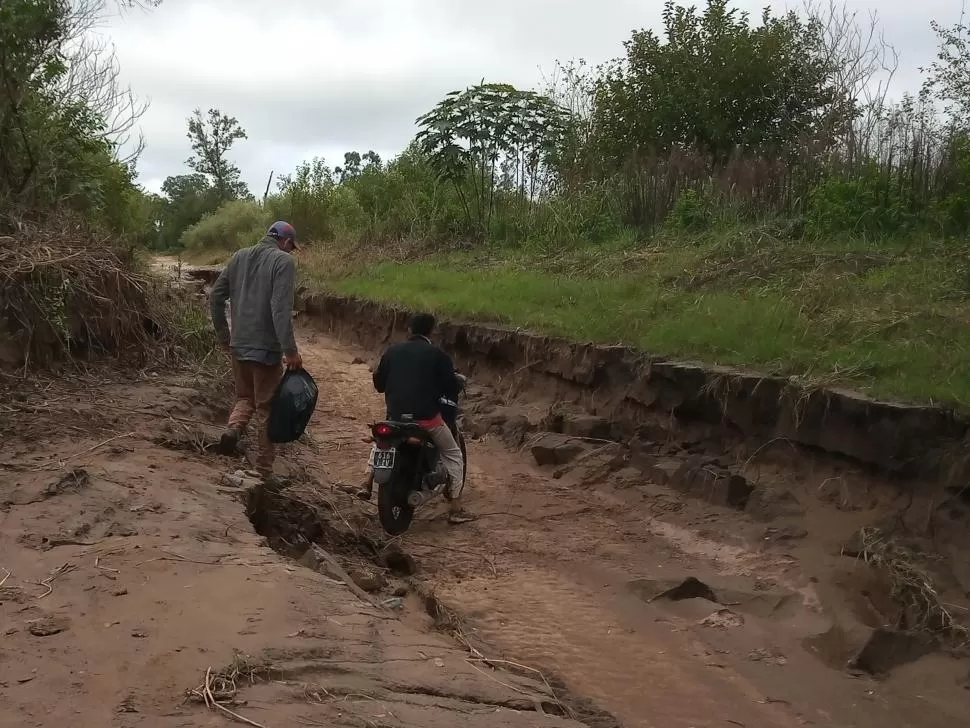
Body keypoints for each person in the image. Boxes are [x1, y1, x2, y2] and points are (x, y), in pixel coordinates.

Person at [210, 221, 303, 478]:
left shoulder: (239, 256)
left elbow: (215, 296)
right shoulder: (282, 262)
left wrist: (223, 336)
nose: (290, 252)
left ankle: (233, 429)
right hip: (266, 351)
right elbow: (280, 309)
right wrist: (290, 351)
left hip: (238, 345)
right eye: (291, 247)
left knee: (245, 398)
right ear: (285, 242)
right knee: (266, 409)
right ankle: (263, 471)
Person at [366, 313, 474, 524]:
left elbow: (379, 385)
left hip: (395, 417)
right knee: (453, 454)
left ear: (409, 330)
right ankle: (456, 508)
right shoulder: (438, 355)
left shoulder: (392, 351)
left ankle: (366, 481)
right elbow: (449, 386)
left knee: (382, 441)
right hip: (426, 420)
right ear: (431, 331)